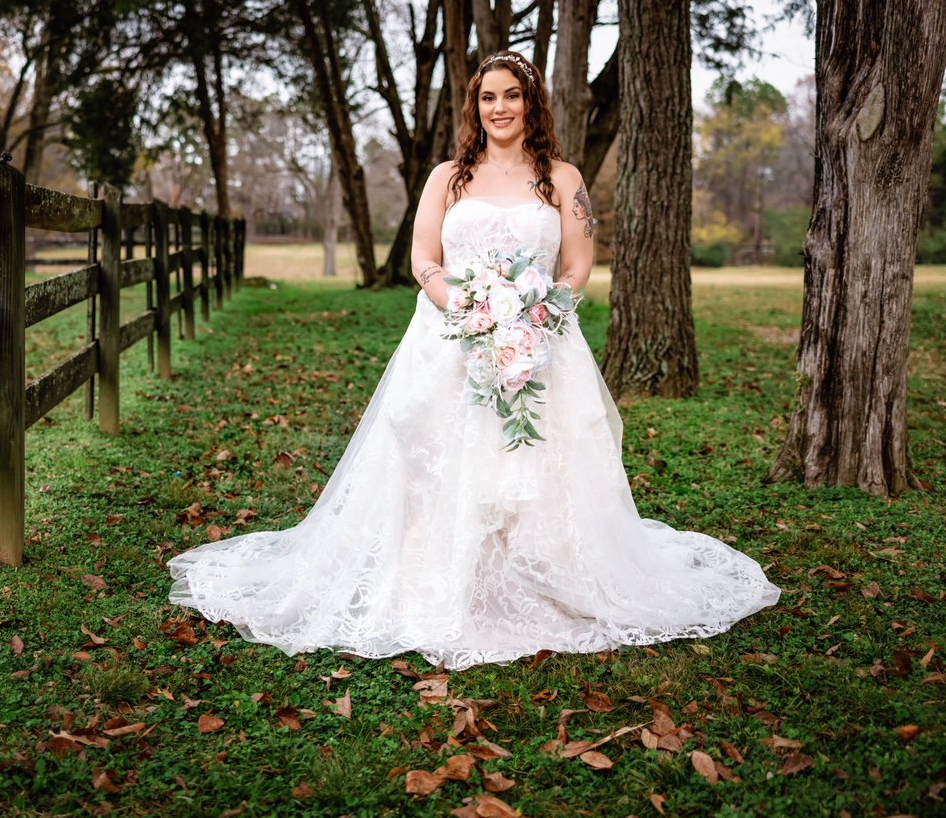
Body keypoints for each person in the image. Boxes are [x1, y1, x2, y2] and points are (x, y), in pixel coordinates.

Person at [167, 51, 779, 671]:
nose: (500, 108)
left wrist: (538, 314)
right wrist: (470, 310)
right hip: (450, 341)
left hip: (541, 343)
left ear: (531, 103)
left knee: (540, 459)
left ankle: (543, 570)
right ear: (475, 107)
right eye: (488, 98)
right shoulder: (447, 177)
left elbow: (577, 265)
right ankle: (439, 573)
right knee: (440, 458)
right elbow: (423, 259)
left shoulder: (564, 179)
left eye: (511, 95)